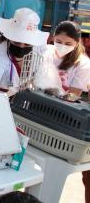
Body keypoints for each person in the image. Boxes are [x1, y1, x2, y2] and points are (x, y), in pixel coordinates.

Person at [40, 21, 90, 202]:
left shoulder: (83, 64)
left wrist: (56, 94)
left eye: (68, 44)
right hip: (39, 111)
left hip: (62, 118)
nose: (62, 46)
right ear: (53, 37)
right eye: (59, 41)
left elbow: (73, 96)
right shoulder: (46, 52)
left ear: (77, 43)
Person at [0, 8, 49, 95]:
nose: (21, 46)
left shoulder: (39, 45)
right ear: (9, 37)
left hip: (13, 92)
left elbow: (41, 66)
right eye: (16, 42)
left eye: (27, 44)